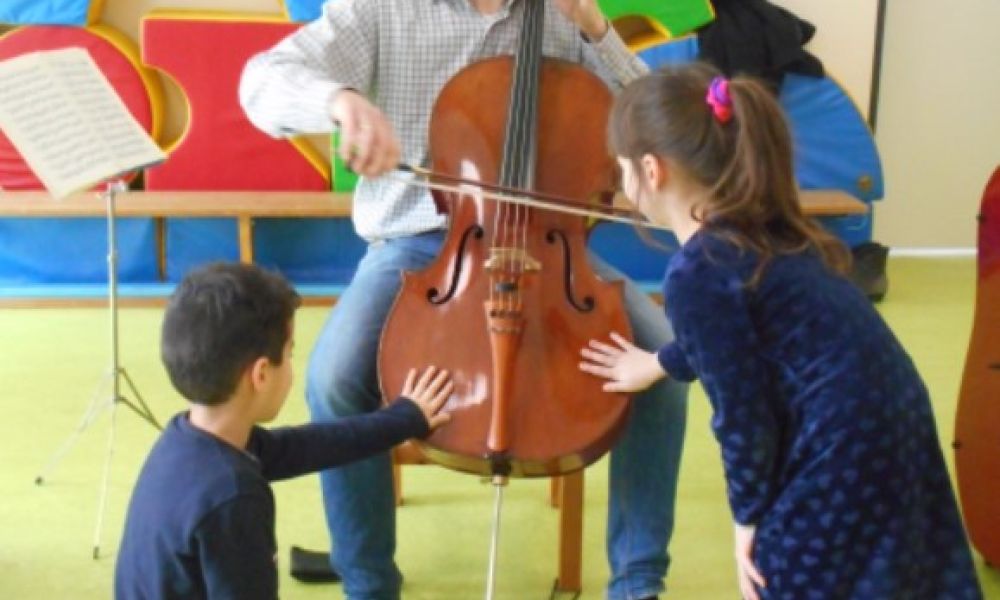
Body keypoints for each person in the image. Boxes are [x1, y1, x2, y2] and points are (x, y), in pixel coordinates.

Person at [238, 1, 689, 599]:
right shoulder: (381, 9)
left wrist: (595, 29)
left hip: (549, 248)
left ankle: (637, 584)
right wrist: (339, 102)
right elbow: (261, 79)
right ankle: (368, 582)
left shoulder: (563, 13)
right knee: (334, 379)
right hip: (414, 243)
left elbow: (660, 123)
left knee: (662, 359)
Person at [579, 63, 983, 599]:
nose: (618, 179)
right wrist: (657, 363)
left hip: (840, 440)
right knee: (891, 571)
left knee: (792, 575)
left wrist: (749, 522)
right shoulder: (754, 225)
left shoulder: (697, 273)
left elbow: (743, 420)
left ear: (651, 171)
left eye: (621, 166)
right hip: (890, 407)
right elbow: (732, 339)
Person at [114, 262, 452, 599]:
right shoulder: (234, 496)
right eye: (290, 355)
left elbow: (312, 445)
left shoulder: (187, 439)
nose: (292, 367)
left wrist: (405, 418)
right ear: (260, 374)